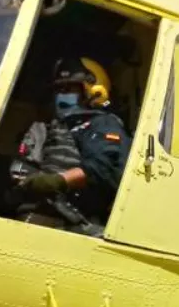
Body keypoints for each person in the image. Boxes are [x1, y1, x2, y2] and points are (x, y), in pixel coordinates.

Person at [10, 55, 131, 233]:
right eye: (58, 90)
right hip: (41, 213)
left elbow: (103, 169)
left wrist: (57, 181)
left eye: (68, 89)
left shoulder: (103, 123)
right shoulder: (48, 128)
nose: (61, 95)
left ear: (93, 90)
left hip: (79, 220)